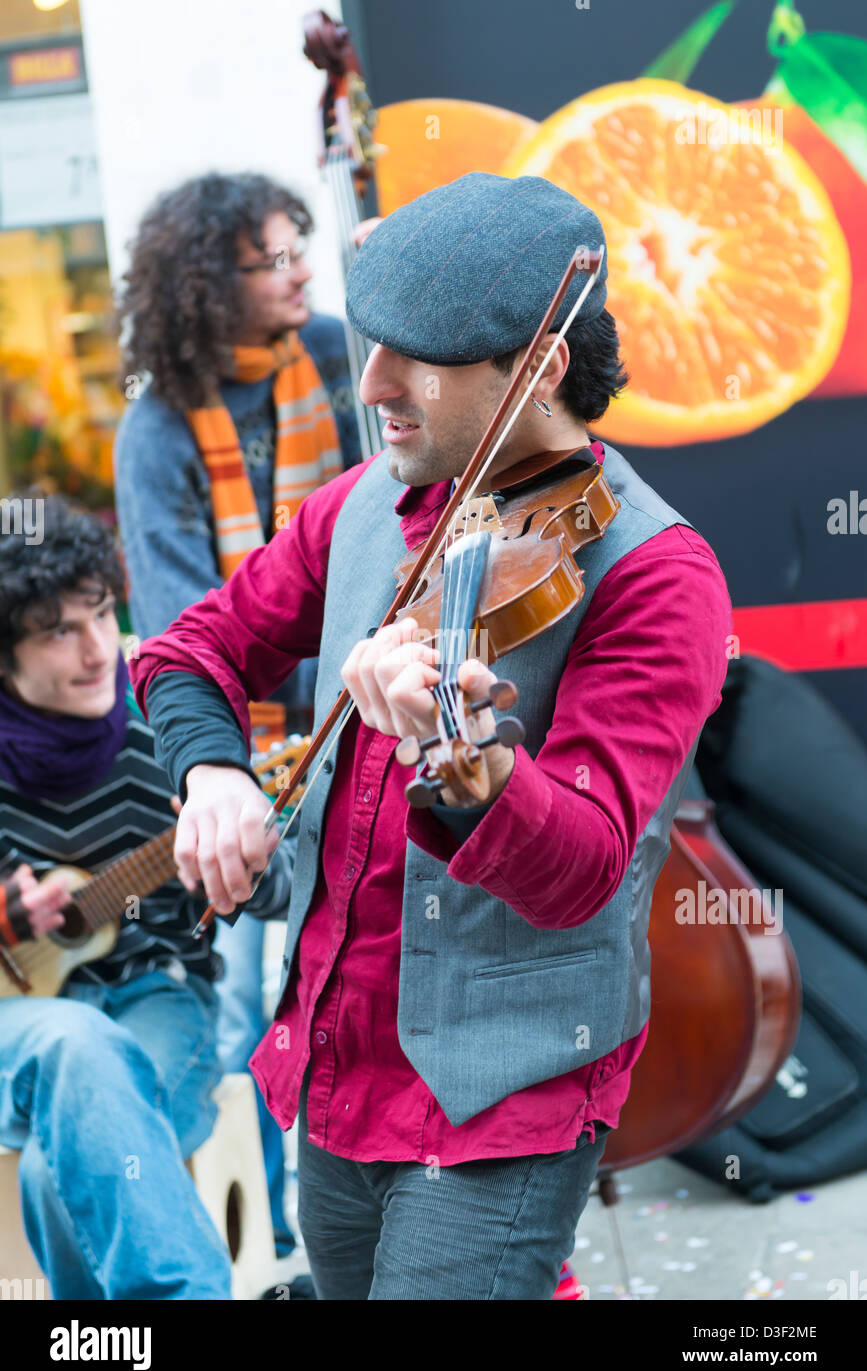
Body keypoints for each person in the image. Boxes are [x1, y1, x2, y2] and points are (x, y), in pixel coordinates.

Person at [129, 172, 733, 1301]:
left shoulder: (657, 574)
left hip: (507, 1092)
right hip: (334, 1063)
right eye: (374, 341)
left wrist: (466, 765)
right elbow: (189, 649)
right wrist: (209, 772)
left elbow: (586, 867)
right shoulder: (362, 505)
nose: (372, 383)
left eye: (423, 357)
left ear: (537, 372)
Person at [113, 171, 361, 1256]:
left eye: (300, 245)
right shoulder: (158, 426)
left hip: (364, 715)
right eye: (275, 257)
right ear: (213, 283)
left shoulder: (349, 355)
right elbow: (178, 620)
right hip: (238, 751)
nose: (303, 267)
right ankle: (268, 1242)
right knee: (241, 1007)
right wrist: (224, 769)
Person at [0, 496, 292, 1299]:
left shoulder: (169, 730)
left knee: (57, 1175)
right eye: (58, 630)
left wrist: (237, 859)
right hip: (20, 1015)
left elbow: (288, 891)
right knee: (68, 1040)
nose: (99, 650)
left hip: (157, 996)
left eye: (101, 614)